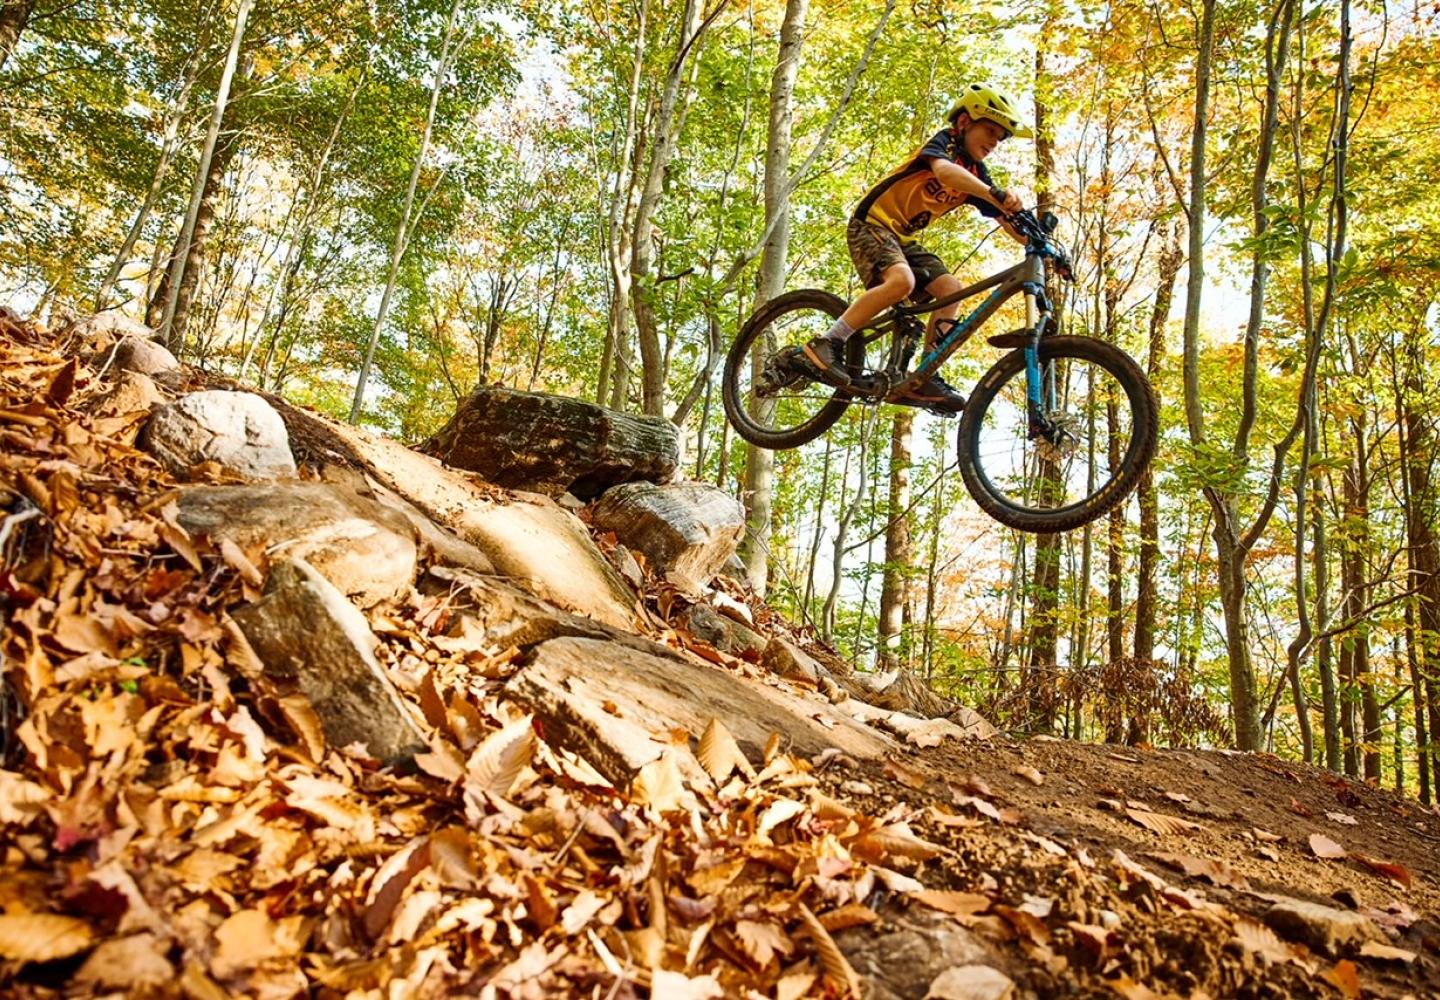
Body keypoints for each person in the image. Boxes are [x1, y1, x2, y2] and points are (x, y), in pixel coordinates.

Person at [801, 83, 1033, 413]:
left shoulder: (978, 174)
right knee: (902, 282)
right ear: (965, 122)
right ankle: (828, 342)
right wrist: (992, 192)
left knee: (951, 289)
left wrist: (1038, 241)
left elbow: (1006, 221)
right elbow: (946, 173)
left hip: (904, 241)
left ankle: (926, 373)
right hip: (872, 224)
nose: (994, 142)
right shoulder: (947, 145)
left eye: (1001, 138)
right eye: (990, 131)